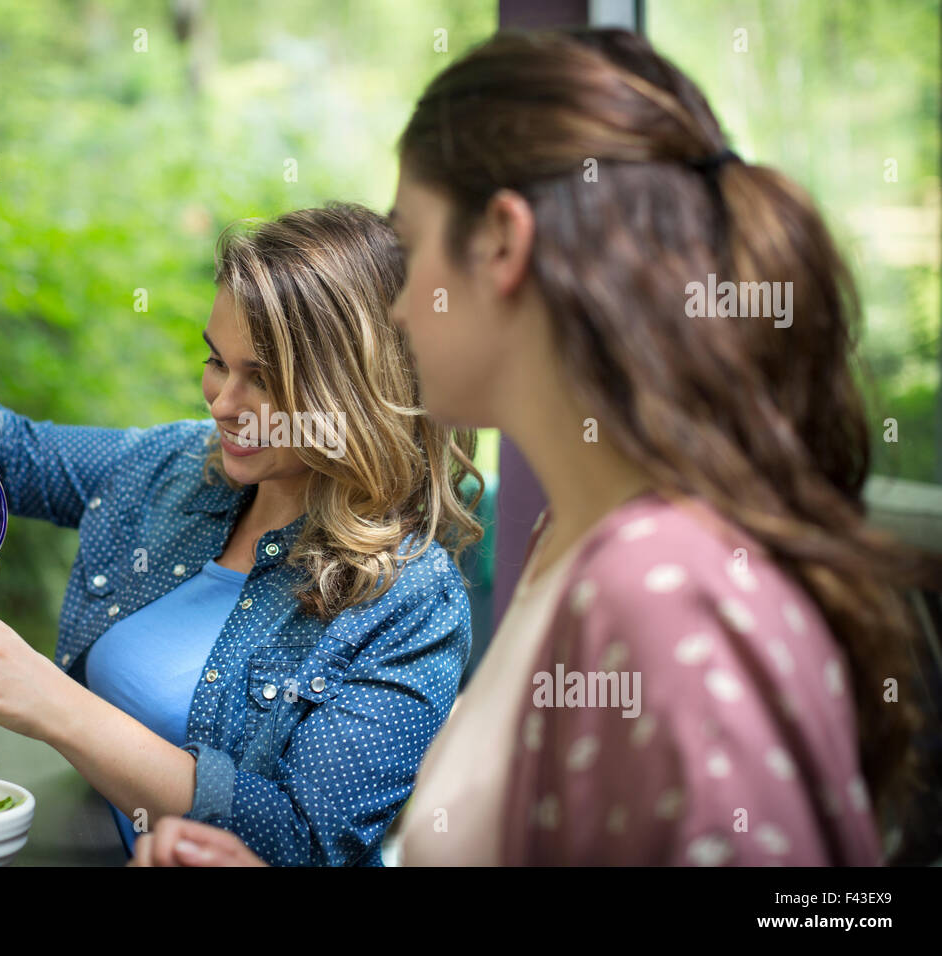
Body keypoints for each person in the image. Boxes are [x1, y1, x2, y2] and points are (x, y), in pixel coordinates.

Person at [129, 27, 936, 867]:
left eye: (414, 246)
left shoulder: (657, 588)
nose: (396, 311)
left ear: (503, 244)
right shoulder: (572, 542)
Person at [0, 202, 484, 865]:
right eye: (217, 361)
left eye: (262, 378)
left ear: (354, 391)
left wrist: (53, 703)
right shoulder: (179, 469)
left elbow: (305, 842)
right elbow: (22, 454)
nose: (221, 401)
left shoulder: (411, 601)